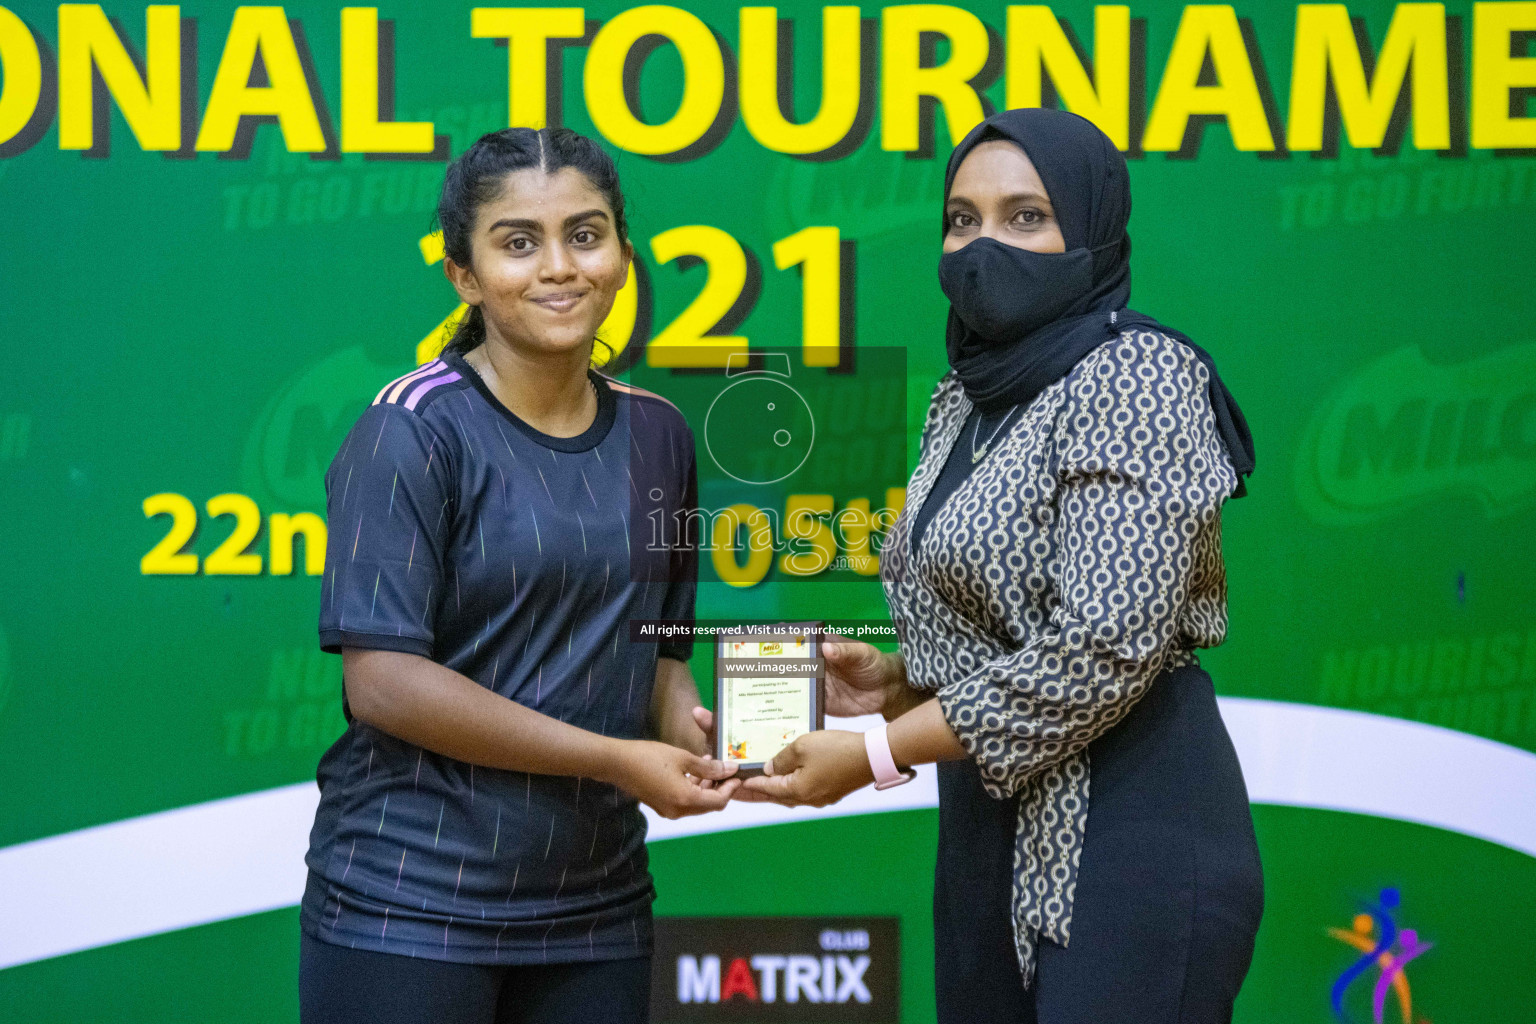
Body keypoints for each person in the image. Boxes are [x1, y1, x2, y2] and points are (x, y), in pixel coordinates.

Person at [739, 108, 1265, 1023]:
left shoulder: (1135, 374)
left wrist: (872, 753)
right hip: (987, 831)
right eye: (961, 219)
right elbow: (1006, 631)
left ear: (1091, 229)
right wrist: (900, 689)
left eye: (1026, 217)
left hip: (1129, 830)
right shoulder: (966, 396)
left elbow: (1103, 646)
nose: (984, 247)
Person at [298, 127, 736, 1024]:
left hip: (597, 910)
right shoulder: (409, 429)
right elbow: (382, 682)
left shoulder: (660, 433)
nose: (559, 267)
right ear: (465, 275)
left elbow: (658, 663)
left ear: (621, 256)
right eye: (517, 242)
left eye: (585, 234)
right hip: (408, 906)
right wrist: (619, 758)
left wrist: (703, 739)